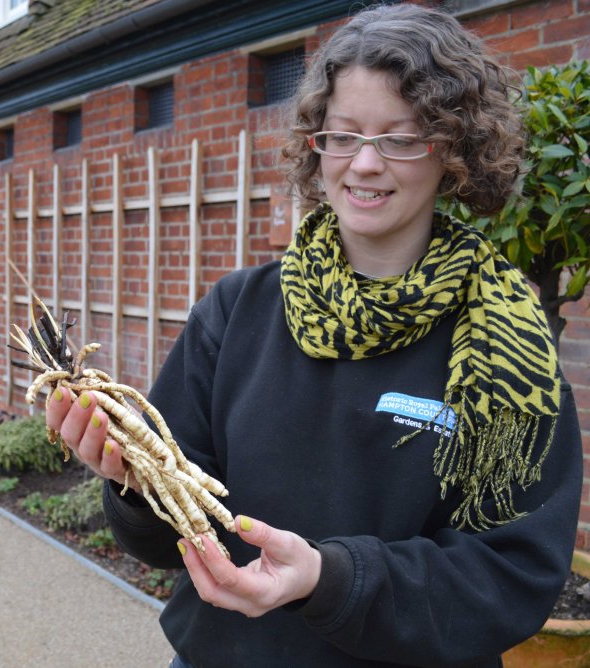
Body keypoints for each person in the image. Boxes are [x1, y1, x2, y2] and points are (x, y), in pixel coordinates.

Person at [45, 3, 583, 666]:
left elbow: (510, 577)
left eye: (401, 139)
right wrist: (135, 480)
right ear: (315, 142)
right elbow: (169, 537)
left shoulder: (507, 345)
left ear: (454, 153)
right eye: (344, 135)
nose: (364, 163)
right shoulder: (236, 310)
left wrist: (330, 580)